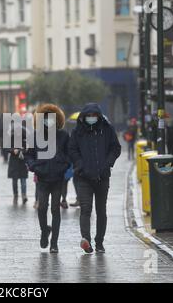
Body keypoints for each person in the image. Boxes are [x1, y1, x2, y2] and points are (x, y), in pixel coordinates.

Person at [68, 103, 121, 254]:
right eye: (88, 116)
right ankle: (86, 240)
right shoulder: (77, 132)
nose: (91, 118)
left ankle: (99, 242)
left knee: (101, 210)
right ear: (84, 117)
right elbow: (72, 149)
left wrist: (108, 164)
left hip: (102, 177)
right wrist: (80, 164)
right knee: (85, 209)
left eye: (94, 116)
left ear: (98, 116)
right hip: (83, 177)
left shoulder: (107, 129)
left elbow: (115, 148)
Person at [25, 104, 70, 254]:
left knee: (55, 210)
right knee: (42, 207)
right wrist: (34, 167)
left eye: (51, 118)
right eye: (45, 118)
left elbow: (69, 154)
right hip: (42, 178)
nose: (48, 121)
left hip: (58, 178)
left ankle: (54, 243)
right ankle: (44, 231)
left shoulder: (63, 136)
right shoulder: (35, 136)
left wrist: (63, 165)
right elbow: (29, 155)